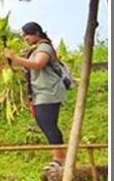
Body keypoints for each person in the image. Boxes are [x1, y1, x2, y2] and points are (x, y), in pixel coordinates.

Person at [5, 21, 70, 168]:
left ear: (36, 33)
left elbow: (39, 64)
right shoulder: (34, 50)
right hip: (40, 93)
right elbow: (28, 65)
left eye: (27, 34)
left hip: (49, 91)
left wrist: (15, 58)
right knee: (45, 124)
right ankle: (59, 157)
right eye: (23, 35)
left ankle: (61, 159)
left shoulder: (44, 47)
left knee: (48, 124)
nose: (25, 37)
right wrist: (12, 61)